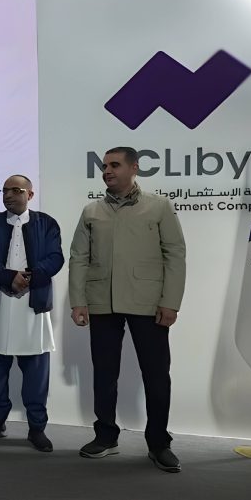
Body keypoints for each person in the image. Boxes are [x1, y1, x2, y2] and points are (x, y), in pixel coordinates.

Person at [69, 146, 186, 473]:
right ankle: (106, 436)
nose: (107, 170)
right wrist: (78, 301)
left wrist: (170, 302)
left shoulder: (159, 206)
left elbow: (175, 254)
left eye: (115, 165)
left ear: (134, 168)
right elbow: (78, 257)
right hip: (101, 302)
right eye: (104, 166)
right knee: (104, 373)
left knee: (156, 375)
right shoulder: (92, 211)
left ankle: (159, 443)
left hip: (148, 303)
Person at [0, 175, 63, 452]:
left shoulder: (46, 223)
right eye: (5, 191)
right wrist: (8, 277)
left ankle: (37, 428)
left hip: (32, 304)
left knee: (36, 373)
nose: (9, 195)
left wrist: (30, 277)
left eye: (16, 190)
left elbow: (55, 258)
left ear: (30, 195)